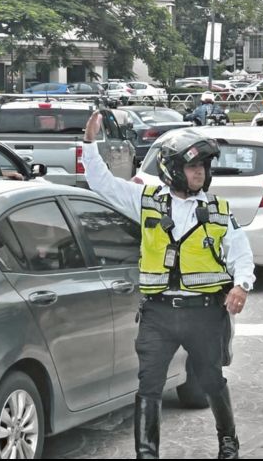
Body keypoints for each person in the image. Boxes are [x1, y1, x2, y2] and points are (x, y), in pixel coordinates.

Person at [81, 112, 254, 459]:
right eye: (193, 166)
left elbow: (241, 252)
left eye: (203, 166)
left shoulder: (218, 209)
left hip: (204, 313)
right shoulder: (146, 200)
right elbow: (102, 183)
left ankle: (228, 443)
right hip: (158, 314)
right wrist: (89, 143)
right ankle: (147, 454)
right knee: (149, 386)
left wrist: (241, 285)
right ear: (173, 169)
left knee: (211, 380)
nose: (200, 172)